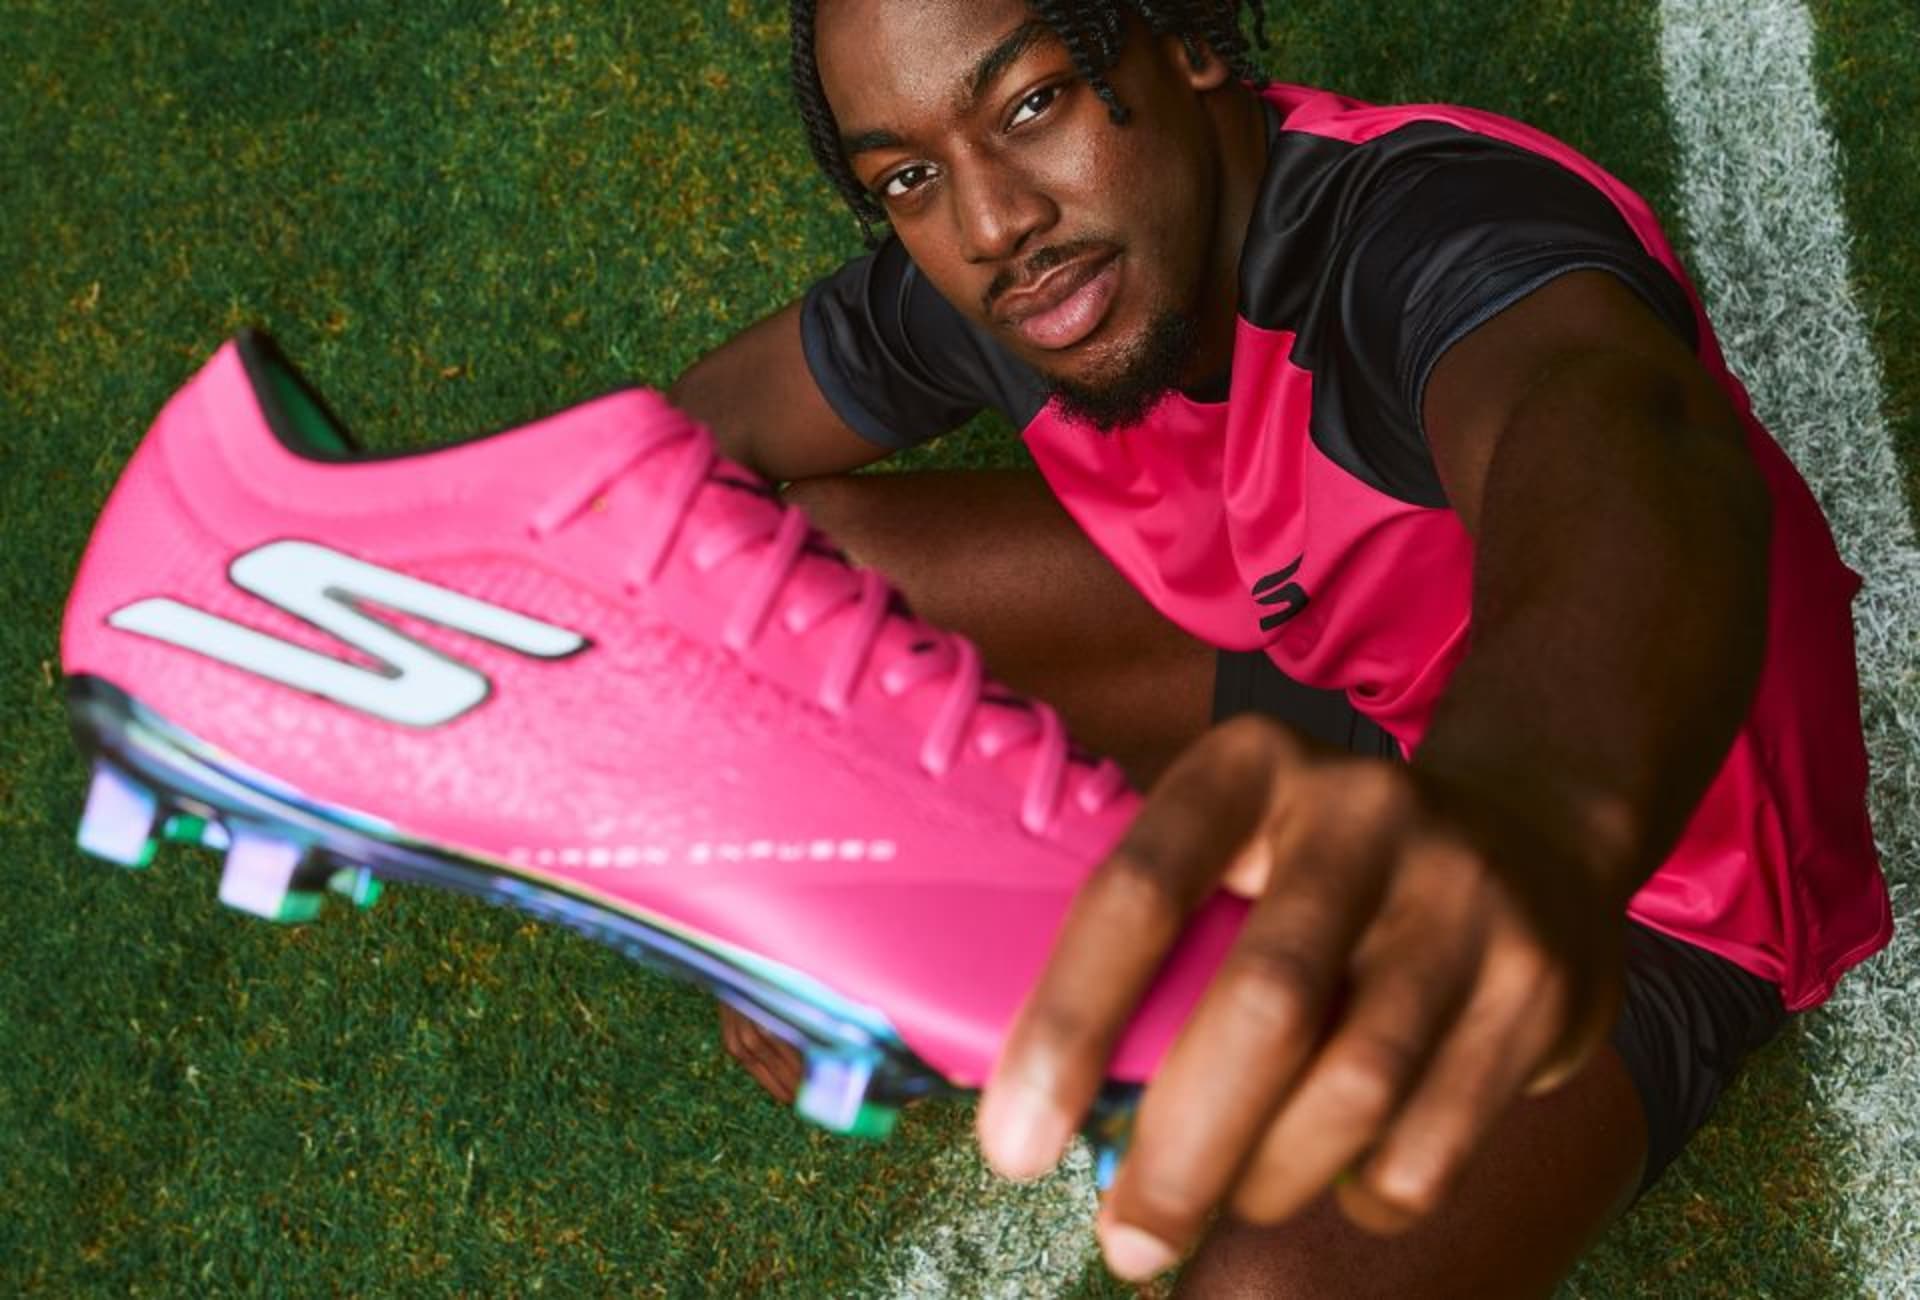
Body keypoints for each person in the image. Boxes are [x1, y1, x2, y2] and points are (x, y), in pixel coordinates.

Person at [666, 1, 1893, 1293]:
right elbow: (664, 469)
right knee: (771, 572)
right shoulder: (1020, 275)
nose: (989, 223)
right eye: (907, 176)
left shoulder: (1422, 234)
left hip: (1635, 868)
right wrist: (764, 853)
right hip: (1337, 677)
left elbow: (1625, 452)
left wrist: (1530, 818)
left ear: (1187, 39)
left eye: (1032, 103)